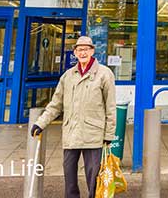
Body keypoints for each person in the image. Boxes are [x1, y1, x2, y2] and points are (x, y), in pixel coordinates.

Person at [31, 36, 116, 198]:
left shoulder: (105, 74)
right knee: (69, 175)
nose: (82, 52)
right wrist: (40, 123)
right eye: (79, 49)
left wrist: (108, 134)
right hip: (71, 133)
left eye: (86, 49)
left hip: (94, 134)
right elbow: (56, 104)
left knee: (94, 176)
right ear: (75, 52)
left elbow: (110, 107)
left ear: (92, 51)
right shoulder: (67, 76)